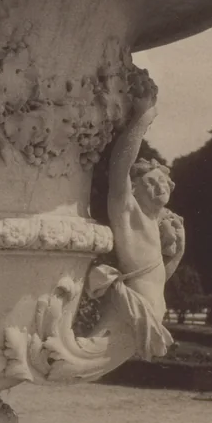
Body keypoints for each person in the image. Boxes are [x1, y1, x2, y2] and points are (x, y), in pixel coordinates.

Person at [85, 66, 183, 357]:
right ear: (134, 189)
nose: (160, 188)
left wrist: (176, 254)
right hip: (132, 310)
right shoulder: (127, 211)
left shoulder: (156, 224)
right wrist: (143, 118)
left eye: (164, 183)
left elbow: (157, 276)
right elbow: (120, 169)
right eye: (151, 183)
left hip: (151, 309)